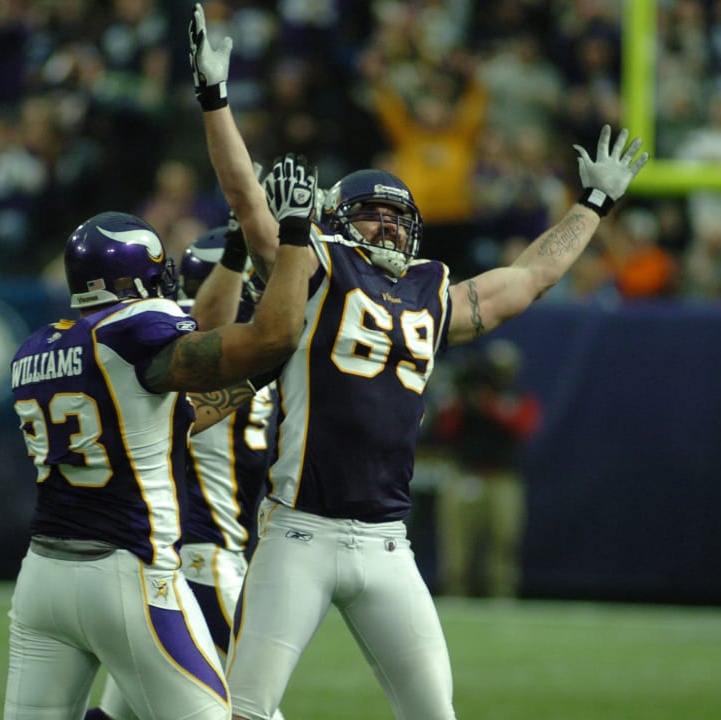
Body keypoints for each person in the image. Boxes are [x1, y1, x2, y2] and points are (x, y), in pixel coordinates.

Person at [188, 5, 649, 718]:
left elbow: (527, 281)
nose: (392, 227)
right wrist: (216, 100)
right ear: (342, 217)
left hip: (387, 542)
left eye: (403, 217)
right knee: (245, 710)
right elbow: (249, 204)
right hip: (298, 529)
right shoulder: (315, 266)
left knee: (434, 713)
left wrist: (593, 203)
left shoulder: (431, 288)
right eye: (377, 212)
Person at [4, 182, 317, 720]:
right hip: (125, 570)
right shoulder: (131, 331)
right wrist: (292, 234)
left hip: (42, 579)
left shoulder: (36, 348)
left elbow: (177, 418)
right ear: (135, 275)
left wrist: (255, 382)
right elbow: (274, 334)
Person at [88, 222, 283, 720]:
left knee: (121, 712)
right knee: (250, 707)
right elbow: (204, 323)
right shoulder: (189, 343)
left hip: (203, 550)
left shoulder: (252, 349)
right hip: (202, 554)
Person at [430, 339, 541, 599]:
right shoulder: (463, 396)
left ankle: (502, 595)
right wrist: (462, 399)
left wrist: (487, 403)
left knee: (504, 541)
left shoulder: (516, 397)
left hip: (502, 479)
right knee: (456, 546)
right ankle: (454, 594)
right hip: (463, 474)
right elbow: (444, 428)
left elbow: (523, 425)